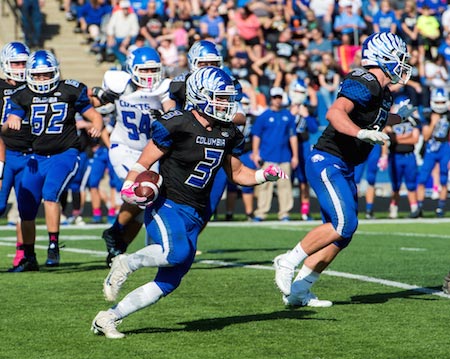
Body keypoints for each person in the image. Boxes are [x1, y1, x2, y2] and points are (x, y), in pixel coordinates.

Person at [91, 66, 287, 339]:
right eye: (219, 97)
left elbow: (239, 173)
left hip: (195, 212)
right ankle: (126, 262)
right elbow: (142, 163)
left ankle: (108, 317)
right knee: (176, 253)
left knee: (169, 281)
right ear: (200, 95)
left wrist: (264, 175)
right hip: (167, 204)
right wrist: (130, 186)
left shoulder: (226, 131)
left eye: (227, 98)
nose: (226, 104)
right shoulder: (177, 123)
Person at [272, 32, 413, 307]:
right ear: (383, 57)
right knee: (342, 223)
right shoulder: (365, 80)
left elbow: (377, 119)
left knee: (343, 233)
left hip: (344, 164)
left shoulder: (382, 93)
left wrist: (399, 118)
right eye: (399, 58)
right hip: (327, 159)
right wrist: (360, 133)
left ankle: (300, 290)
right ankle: (287, 262)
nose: (403, 64)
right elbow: (335, 113)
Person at [2, 50, 103, 272]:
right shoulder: (21, 94)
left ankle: (53, 245)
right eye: (37, 76)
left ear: (55, 72)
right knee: (25, 210)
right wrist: (11, 122)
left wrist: (98, 123)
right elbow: (13, 117)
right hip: (36, 157)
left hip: (65, 153)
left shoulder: (69, 89)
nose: (41, 80)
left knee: (50, 193)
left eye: (46, 75)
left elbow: (92, 113)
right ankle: (29, 256)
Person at [90, 46, 172, 266]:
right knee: (140, 194)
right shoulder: (118, 82)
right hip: (124, 148)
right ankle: (115, 232)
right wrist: (99, 97)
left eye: (153, 70)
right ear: (132, 69)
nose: (149, 76)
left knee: (147, 203)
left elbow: (171, 109)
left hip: (150, 152)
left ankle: (117, 247)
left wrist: (166, 115)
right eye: (144, 71)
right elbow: (92, 101)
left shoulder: (162, 88)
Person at [0, 42, 30, 271]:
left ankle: (24, 254)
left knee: (25, 208)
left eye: (23, 62)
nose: (20, 67)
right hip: (3, 152)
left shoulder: (36, 85)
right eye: (16, 63)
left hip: (29, 154)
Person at [251, 87, 298, 222]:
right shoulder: (264, 116)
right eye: (275, 97)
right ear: (271, 98)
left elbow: (292, 136)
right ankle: (261, 212)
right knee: (265, 186)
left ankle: (284, 213)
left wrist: (294, 156)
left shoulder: (287, 116)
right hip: (267, 156)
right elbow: (256, 136)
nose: (277, 100)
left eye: (279, 97)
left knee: (285, 186)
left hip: (284, 156)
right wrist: (256, 154)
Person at [416, 87, 450, 217]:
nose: (440, 105)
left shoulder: (448, 114)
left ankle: (441, 208)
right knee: (422, 178)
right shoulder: (428, 114)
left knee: (443, 178)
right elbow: (425, 136)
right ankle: (419, 208)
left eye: (442, 102)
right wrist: (433, 123)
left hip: (444, 147)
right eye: (438, 102)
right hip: (431, 147)